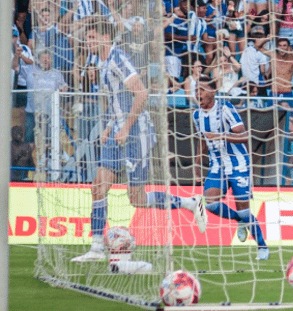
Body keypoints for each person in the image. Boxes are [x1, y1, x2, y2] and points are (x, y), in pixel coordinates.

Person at [73, 18, 207, 262]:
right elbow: (117, 101)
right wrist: (109, 127)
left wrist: (125, 127)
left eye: (92, 37)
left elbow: (142, 94)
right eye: (87, 37)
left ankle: (190, 203)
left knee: (137, 199)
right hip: (118, 132)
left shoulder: (118, 58)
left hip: (137, 133)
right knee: (98, 187)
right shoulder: (101, 62)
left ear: (105, 37)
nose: (88, 41)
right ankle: (96, 248)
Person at [192, 75, 268, 260]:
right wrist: (196, 164)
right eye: (196, 90)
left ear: (213, 92)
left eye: (201, 89)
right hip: (217, 165)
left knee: (244, 209)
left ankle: (262, 246)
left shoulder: (225, 108)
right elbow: (203, 140)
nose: (197, 93)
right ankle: (239, 220)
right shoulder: (196, 115)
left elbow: (244, 136)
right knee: (211, 203)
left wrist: (220, 136)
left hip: (238, 163)